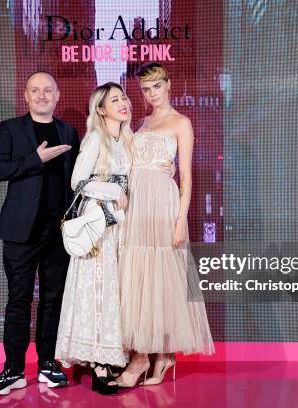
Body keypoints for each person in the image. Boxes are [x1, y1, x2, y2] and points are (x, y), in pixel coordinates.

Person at [117, 62, 215, 388]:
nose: (151, 93)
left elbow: (185, 176)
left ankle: (154, 355)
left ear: (168, 85)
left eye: (156, 86)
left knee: (163, 279)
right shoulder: (141, 123)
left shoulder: (181, 123)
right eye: (145, 88)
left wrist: (180, 220)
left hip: (163, 203)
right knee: (141, 279)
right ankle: (151, 354)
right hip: (137, 207)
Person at [0, 71, 80, 395]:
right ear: (26, 96)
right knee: (18, 300)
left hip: (59, 232)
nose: (41, 95)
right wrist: (35, 159)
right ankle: (12, 369)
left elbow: (76, 180)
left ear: (57, 95)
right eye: (35, 90)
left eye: (47, 90)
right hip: (19, 231)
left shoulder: (69, 131)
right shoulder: (10, 129)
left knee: (53, 300)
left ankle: (47, 364)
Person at [55, 83, 132, 395]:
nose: (123, 103)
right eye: (115, 100)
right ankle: (99, 363)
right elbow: (78, 181)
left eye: (124, 97)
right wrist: (113, 191)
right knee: (97, 292)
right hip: (99, 226)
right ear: (101, 109)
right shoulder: (96, 138)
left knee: (114, 293)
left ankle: (111, 355)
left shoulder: (127, 139)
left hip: (121, 228)